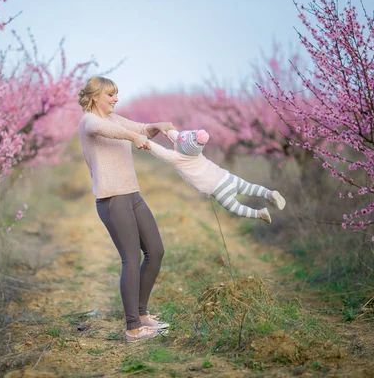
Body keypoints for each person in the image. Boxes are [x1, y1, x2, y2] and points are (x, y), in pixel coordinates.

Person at [77, 76, 174, 342]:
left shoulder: (115, 120)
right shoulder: (89, 121)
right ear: (95, 96)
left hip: (132, 195)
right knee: (131, 258)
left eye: (117, 94)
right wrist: (132, 136)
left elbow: (142, 129)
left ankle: (142, 315)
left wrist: (157, 126)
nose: (116, 99)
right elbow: (105, 131)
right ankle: (133, 328)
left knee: (155, 250)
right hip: (112, 199)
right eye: (111, 94)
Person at [149, 129, 286, 222]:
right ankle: (269, 194)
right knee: (250, 188)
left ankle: (259, 214)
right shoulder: (196, 152)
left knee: (237, 208)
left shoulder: (176, 157)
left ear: (180, 146)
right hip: (227, 177)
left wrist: (147, 142)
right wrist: (167, 131)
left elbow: (161, 151)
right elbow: (178, 137)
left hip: (218, 190)